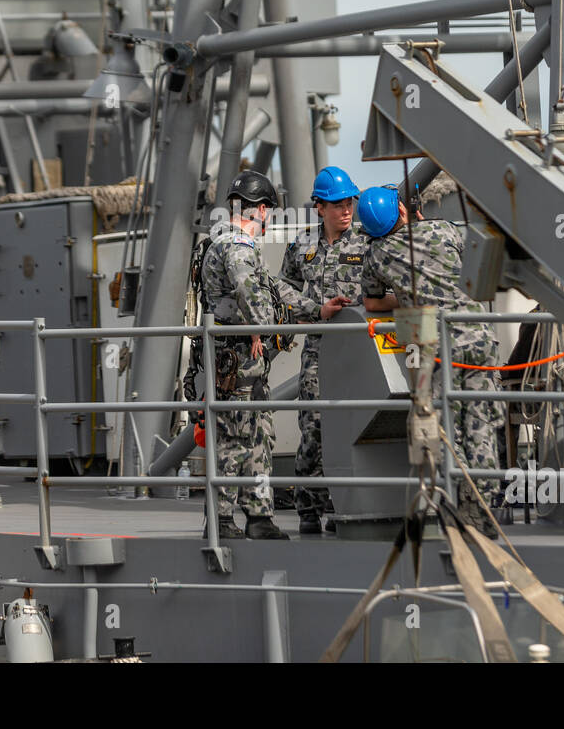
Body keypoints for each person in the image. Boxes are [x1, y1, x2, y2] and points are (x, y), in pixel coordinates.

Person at [199, 169, 345, 540]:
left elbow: (274, 286)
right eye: (267, 211)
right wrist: (263, 327)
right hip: (236, 361)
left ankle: (260, 514)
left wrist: (317, 309)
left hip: (249, 364)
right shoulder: (236, 246)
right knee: (234, 438)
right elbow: (254, 294)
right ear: (260, 209)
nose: (267, 218)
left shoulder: (232, 244)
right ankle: (221, 519)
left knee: (259, 434)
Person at [357, 184, 504, 534]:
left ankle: (460, 507)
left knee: (443, 428)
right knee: (479, 422)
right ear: (403, 211)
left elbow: (372, 304)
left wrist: (410, 297)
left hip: (433, 343)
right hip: (478, 335)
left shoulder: (376, 254)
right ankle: (487, 506)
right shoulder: (444, 229)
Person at [278, 166, 366, 534]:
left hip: (362, 351)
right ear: (319, 207)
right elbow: (281, 289)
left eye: (349, 203)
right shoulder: (302, 246)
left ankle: (345, 504)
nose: (345, 211)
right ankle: (309, 507)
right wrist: (315, 310)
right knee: (314, 426)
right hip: (319, 349)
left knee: (356, 425)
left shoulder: (367, 243)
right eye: (337, 205)